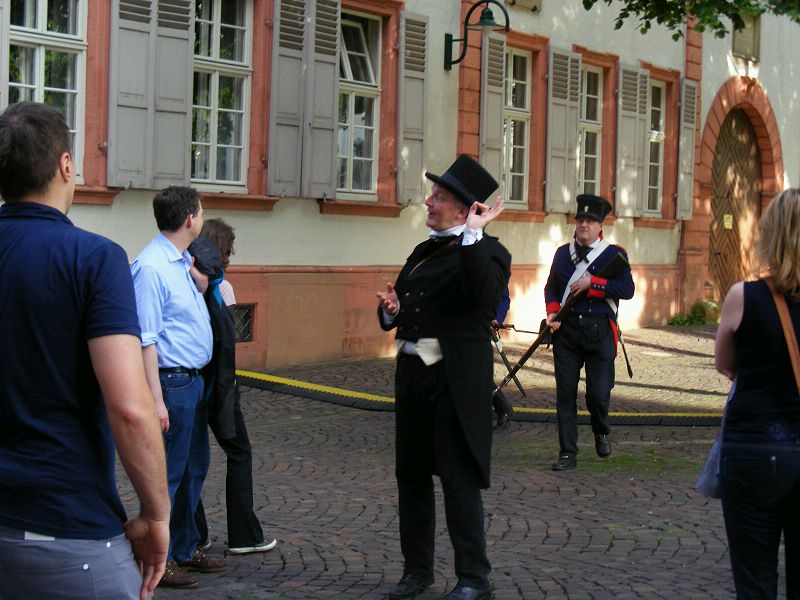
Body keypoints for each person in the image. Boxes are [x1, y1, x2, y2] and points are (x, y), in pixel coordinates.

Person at [0, 101, 170, 600]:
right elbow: (131, 409)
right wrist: (157, 513)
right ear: (66, 165)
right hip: (65, 528)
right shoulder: (94, 259)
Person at [377, 155, 511, 600]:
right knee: (411, 477)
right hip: (415, 376)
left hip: (454, 382)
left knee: (458, 479)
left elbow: (481, 295)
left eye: (440, 197)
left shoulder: (488, 252)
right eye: (433, 194)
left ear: (465, 210)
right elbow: (407, 303)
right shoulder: (423, 250)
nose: (429, 202)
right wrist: (391, 310)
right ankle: (417, 572)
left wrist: (474, 235)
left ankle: (474, 577)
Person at [131, 186, 225, 588]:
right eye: (201, 213)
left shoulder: (183, 260)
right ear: (190, 219)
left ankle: (185, 547)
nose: (202, 219)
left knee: (193, 469)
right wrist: (156, 400)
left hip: (194, 381)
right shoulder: (151, 267)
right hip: (172, 383)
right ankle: (160, 556)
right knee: (167, 474)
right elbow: (145, 338)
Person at [715, 188, 800, 599]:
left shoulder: (743, 297)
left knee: (755, 583)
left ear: (770, 235)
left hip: (752, 448)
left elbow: (725, 364)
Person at [191, 218, 277, 555]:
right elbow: (226, 345)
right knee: (239, 453)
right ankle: (244, 534)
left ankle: (196, 533)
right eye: (229, 249)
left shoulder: (188, 280)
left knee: (189, 460)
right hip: (219, 388)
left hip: (192, 383)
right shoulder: (221, 287)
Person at [544, 194, 634, 471]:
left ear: (600, 227)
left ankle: (601, 429)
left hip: (599, 332)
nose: (583, 225)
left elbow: (627, 290)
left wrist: (593, 283)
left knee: (597, 394)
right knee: (565, 393)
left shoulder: (614, 254)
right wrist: (552, 312)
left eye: (589, 221)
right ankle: (567, 452)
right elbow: (551, 287)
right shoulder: (562, 254)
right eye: (580, 220)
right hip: (567, 332)